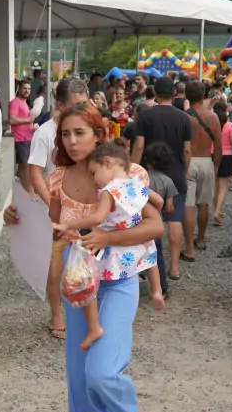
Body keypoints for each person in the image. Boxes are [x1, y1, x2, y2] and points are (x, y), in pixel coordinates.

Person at [3, 104, 163, 412]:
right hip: (77, 288)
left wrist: (107, 236)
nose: (72, 141)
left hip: (118, 284)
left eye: (80, 132)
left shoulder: (127, 175)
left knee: (103, 374)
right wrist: (18, 219)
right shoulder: (58, 178)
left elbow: (155, 225)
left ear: (98, 135)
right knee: (87, 381)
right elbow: (55, 228)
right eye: (65, 134)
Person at [53, 139, 164, 350]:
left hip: (110, 244)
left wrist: (68, 224)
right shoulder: (135, 183)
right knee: (151, 260)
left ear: (107, 162)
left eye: (94, 172)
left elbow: (97, 218)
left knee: (86, 281)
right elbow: (157, 202)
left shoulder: (109, 190)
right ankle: (156, 291)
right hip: (134, 245)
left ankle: (94, 327)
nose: (94, 179)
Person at [27, 77, 90, 341]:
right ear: (61, 104)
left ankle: (90, 313)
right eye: (76, 105)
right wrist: (55, 205)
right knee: (54, 269)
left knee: (86, 265)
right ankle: (57, 314)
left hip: (86, 211)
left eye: (85, 104)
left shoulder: (89, 129)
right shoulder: (44, 134)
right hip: (54, 216)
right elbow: (35, 173)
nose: (82, 110)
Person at [131, 76, 192, 281]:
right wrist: (184, 172)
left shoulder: (146, 116)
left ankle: (147, 266)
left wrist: (133, 171)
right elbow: (187, 150)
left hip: (149, 175)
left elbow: (139, 145)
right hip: (176, 174)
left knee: (147, 219)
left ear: (154, 93)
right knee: (175, 220)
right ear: (174, 94)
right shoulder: (184, 118)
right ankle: (174, 268)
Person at [183, 80, 221, 256]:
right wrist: (216, 167)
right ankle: (201, 238)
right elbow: (219, 146)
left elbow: (182, 145)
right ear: (204, 95)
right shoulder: (213, 117)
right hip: (206, 160)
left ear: (186, 96)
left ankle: (189, 245)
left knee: (188, 205)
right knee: (203, 204)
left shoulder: (184, 117)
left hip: (189, 161)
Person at [142, 141, 178, 299]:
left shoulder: (142, 178)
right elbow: (170, 208)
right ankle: (162, 289)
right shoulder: (167, 181)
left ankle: (138, 285)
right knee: (157, 257)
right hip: (156, 226)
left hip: (138, 224)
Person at [9, 80, 36, 191]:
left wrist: (32, 127)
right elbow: (11, 120)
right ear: (19, 89)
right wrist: (28, 119)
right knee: (25, 166)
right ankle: (28, 191)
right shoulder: (15, 102)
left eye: (29, 89)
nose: (27, 91)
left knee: (26, 166)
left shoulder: (24, 102)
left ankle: (25, 190)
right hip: (21, 139)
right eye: (24, 88)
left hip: (27, 137)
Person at [213, 101, 232, 226]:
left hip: (212, 154)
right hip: (226, 156)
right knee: (223, 186)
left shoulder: (211, 124)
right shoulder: (229, 125)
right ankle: (217, 211)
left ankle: (216, 208)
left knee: (215, 185)